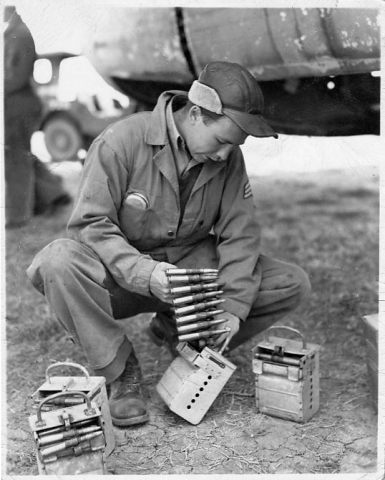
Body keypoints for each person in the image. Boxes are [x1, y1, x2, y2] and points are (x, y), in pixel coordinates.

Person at [27, 61, 311, 427]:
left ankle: (174, 330)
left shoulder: (227, 157)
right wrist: (145, 273)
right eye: (223, 141)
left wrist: (234, 308)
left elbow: (240, 233)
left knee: (289, 282)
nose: (225, 155)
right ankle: (121, 371)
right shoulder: (119, 142)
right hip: (120, 279)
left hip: (189, 281)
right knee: (57, 261)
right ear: (195, 114)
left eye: (233, 146)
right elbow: (90, 225)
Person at [4, 6, 70, 228]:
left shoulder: (19, 34)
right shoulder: (14, 32)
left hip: (17, 105)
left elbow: (17, 76)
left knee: (15, 157)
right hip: (14, 104)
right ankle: (54, 194)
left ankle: (18, 215)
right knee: (20, 154)